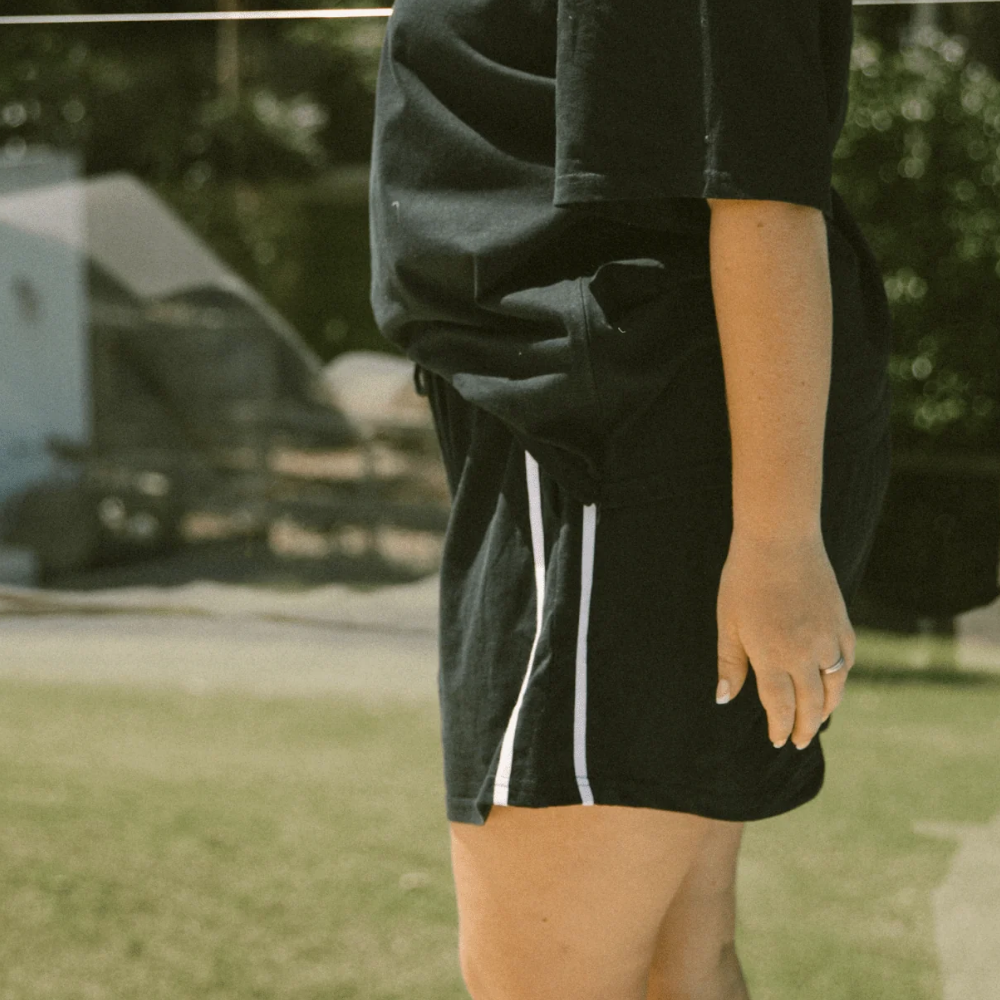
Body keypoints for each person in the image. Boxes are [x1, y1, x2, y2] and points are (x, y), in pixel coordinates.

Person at [368, 0, 893, 996]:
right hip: (646, 419)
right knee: (680, 960)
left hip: (614, 435)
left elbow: (759, 176)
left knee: (546, 981)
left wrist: (777, 539)